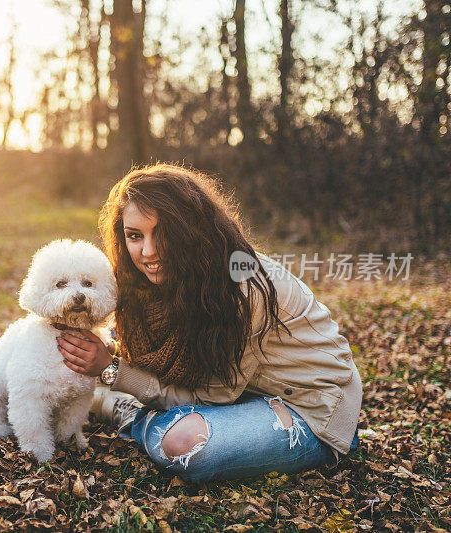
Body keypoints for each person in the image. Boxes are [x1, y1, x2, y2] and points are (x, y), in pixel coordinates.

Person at [55, 164, 361, 483]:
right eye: (135, 236)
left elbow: (209, 397)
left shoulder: (242, 287)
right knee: (179, 427)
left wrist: (113, 372)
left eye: (164, 233)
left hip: (311, 411)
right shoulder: (154, 281)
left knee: (184, 446)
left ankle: (128, 412)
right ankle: (142, 408)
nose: (148, 252)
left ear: (191, 229)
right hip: (246, 394)